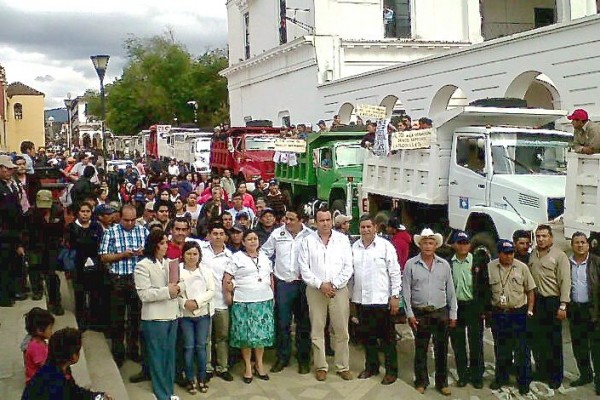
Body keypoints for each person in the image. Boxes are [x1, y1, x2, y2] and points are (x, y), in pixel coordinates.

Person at [298, 209, 354, 381]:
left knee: (341, 329)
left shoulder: (342, 240)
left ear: (332, 221)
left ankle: (342, 366)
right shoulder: (307, 241)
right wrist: (320, 284)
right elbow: (304, 268)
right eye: (321, 220)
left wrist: (334, 284)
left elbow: (348, 266)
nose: (325, 223)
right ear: (316, 222)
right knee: (317, 328)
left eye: (328, 219)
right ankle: (321, 366)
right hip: (316, 290)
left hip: (339, 290)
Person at [403, 228, 457, 396]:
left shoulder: (444, 265)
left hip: (440, 312)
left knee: (441, 349)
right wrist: (410, 313)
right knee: (421, 349)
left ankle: (442, 383)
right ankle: (421, 381)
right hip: (420, 313)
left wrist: (453, 314)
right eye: (425, 243)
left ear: (436, 245)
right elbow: (406, 291)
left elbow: (451, 291)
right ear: (420, 245)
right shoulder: (411, 264)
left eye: (431, 243)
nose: (428, 246)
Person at [262, 208, 314, 374]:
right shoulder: (278, 234)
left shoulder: (310, 236)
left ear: (301, 220)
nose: (288, 222)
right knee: (282, 322)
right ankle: (282, 357)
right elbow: (264, 253)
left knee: (303, 323)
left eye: (292, 219)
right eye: (286, 219)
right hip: (283, 284)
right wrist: (270, 271)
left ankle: (303, 358)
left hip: (303, 285)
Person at [352, 215, 401, 385]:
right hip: (362, 300)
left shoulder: (385, 247)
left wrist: (395, 296)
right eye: (362, 227)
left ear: (375, 228)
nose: (365, 230)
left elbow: (394, 272)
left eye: (368, 227)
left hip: (381, 300)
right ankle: (371, 367)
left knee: (387, 339)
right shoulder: (354, 247)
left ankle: (391, 371)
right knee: (367, 337)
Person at [99, 204, 148, 366]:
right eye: (126, 220)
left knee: (136, 317)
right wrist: (122, 255)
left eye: (133, 220)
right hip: (118, 279)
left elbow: (152, 250)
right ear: (120, 218)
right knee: (117, 318)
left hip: (138, 280)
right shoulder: (110, 232)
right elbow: (104, 257)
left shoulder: (142, 230)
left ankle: (133, 350)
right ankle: (118, 353)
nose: (130, 223)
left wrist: (143, 252)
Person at [223, 229, 275, 383]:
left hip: (263, 301)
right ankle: (247, 367)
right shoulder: (236, 258)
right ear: (243, 242)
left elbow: (270, 277)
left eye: (255, 238)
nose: (253, 241)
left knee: (260, 336)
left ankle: (259, 364)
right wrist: (228, 294)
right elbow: (227, 279)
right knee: (246, 336)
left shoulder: (265, 258)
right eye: (249, 239)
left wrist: (273, 295)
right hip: (244, 301)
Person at [134, 229, 181, 400]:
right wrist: (167, 291)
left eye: (166, 242)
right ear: (154, 245)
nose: (165, 246)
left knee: (170, 356)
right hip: (154, 318)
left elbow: (177, 284)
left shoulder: (170, 263)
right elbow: (144, 294)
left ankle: (169, 391)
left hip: (172, 315)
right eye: (161, 243)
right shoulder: (143, 265)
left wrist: (178, 288)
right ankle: (161, 394)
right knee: (158, 357)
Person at [488, 240, 536, 395]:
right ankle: (501, 377)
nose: (509, 256)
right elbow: (485, 289)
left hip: (518, 313)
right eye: (506, 253)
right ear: (499, 253)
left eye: (511, 253)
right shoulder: (490, 267)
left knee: (522, 349)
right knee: (501, 348)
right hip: (499, 313)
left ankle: (524, 381)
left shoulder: (522, 267)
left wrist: (529, 310)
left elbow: (530, 290)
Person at [528, 224, 570, 389]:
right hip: (537, 301)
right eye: (538, 236)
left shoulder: (560, 256)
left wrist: (563, 306)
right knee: (538, 339)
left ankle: (555, 376)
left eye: (544, 236)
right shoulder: (533, 254)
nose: (541, 239)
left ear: (551, 237)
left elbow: (565, 281)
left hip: (552, 301)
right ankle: (541, 371)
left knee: (553, 341)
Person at [447, 231, 489, 389]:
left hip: (473, 306)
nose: (463, 246)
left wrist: (485, 308)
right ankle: (463, 375)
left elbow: (485, 286)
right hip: (456, 307)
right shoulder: (448, 263)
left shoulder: (478, 261)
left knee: (476, 343)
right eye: (460, 243)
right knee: (458, 343)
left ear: (470, 245)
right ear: (455, 245)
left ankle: (477, 376)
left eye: (466, 243)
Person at [22, 328, 112, 400]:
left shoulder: (59, 369)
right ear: (74, 356)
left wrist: (98, 397)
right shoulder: (55, 383)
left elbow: (74, 392)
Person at [200, 223, 235, 381]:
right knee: (206, 338)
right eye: (215, 233)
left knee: (222, 336)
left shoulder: (230, 256)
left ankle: (222, 367)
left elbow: (233, 278)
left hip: (221, 302)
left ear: (226, 237)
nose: (218, 236)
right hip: (204, 302)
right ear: (209, 235)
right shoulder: (201, 250)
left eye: (221, 233)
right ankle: (206, 368)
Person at [179, 241, 214, 394]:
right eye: (188, 254)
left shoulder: (205, 271)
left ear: (199, 256)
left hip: (203, 314)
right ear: (183, 255)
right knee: (188, 347)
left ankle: (202, 377)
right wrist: (185, 303)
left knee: (201, 346)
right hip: (184, 315)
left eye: (195, 254)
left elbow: (211, 290)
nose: (192, 257)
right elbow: (173, 291)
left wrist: (197, 302)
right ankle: (189, 378)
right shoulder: (178, 270)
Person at [567, 232, 600, 393]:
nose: (580, 245)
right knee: (579, 346)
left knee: (597, 348)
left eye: (582, 242)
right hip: (575, 310)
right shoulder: (568, 263)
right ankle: (585, 375)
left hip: (593, 310)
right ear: (572, 245)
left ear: (588, 245)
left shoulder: (596, 262)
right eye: (576, 242)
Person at [26, 190, 64, 315]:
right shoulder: (31, 213)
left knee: (52, 274)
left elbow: (61, 229)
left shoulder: (58, 211)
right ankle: (37, 291)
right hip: (35, 245)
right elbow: (26, 231)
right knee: (34, 268)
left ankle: (55, 302)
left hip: (52, 246)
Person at [68, 202, 104, 330]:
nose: (85, 214)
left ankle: (94, 321)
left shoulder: (96, 227)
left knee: (95, 294)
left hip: (95, 264)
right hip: (78, 265)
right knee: (80, 294)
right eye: (82, 211)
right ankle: (81, 321)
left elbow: (99, 243)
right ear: (78, 212)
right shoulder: (71, 227)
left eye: (87, 211)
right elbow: (73, 245)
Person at [0, 155, 25, 307]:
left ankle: (10, 292)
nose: (10, 171)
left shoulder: (10, 184)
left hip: (12, 231)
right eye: (6, 168)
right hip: (3, 232)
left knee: (11, 263)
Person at [22, 307, 55, 383]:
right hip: (35, 381)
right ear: (40, 330)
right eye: (50, 329)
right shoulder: (36, 347)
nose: (51, 331)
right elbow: (44, 367)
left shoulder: (37, 341)